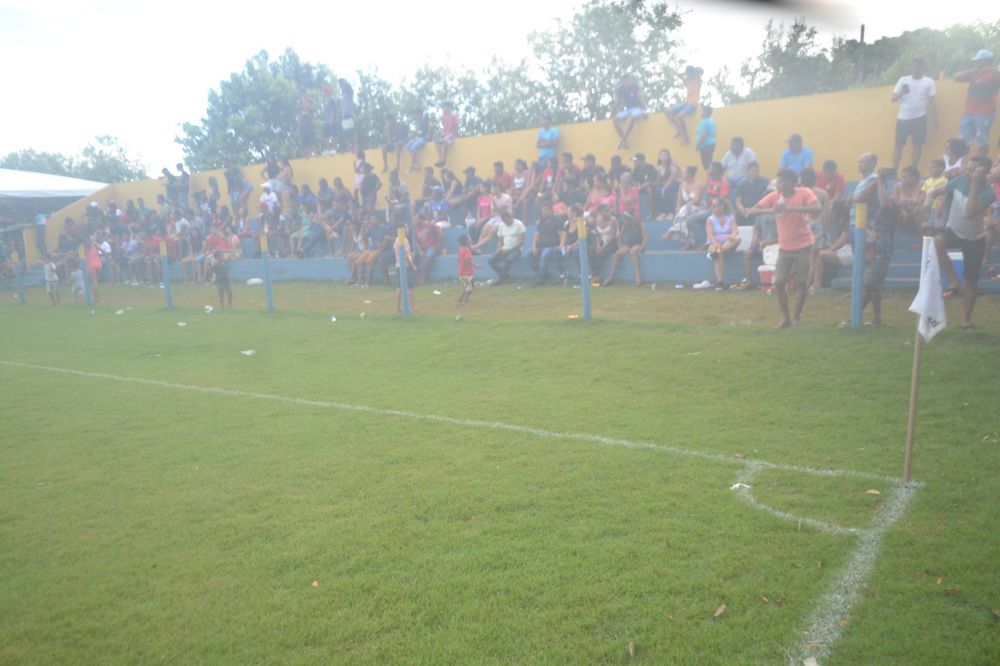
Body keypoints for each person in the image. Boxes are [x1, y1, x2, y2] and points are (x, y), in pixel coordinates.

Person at [747, 169, 821, 328]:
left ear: (790, 182)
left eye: (780, 181)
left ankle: (796, 317)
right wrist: (771, 210)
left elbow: (817, 208)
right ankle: (786, 318)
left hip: (804, 245)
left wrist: (792, 209)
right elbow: (751, 211)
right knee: (779, 282)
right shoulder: (775, 196)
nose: (778, 184)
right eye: (778, 181)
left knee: (802, 283)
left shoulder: (804, 193)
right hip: (785, 247)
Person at [932, 155, 996, 329]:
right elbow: (938, 190)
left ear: (984, 174)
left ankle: (965, 320)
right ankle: (953, 281)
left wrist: (974, 185)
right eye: (968, 169)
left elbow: (969, 213)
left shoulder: (988, 192)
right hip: (953, 229)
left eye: (974, 171)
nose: (969, 174)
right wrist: (927, 200)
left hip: (975, 238)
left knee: (971, 280)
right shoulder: (959, 180)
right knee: (937, 242)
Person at [891, 58, 938, 170]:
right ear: (912, 68)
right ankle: (894, 170)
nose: (916, 69)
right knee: (898, 145)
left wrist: (935, 118)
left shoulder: (929, 81)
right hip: (903, 118)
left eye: (918, 67)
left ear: (923, 68)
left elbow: (932, 101)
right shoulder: (903, 80)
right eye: (914, 67)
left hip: (920, 118)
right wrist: (902, 92)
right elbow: (893, 99)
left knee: (917, 145)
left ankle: (913, 170)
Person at [953, 49, 1000, 157]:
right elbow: (955, 77)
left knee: (981, 141)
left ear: (986, 61)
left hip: (985, 113)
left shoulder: (995, 74)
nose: (976, 63)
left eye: (979, 61)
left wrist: (991, 69)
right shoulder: (973, 73)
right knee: (963, 142)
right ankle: (961, 166)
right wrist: (974, 70)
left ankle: (980, 164)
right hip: (968, 113)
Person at [810, 200, 852, 291]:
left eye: (831, 207)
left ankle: (816, 285)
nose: (829, 209)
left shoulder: (846, 221)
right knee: (822, 252)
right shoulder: (842, 221)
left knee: (821, 255)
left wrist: (830, 249)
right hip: (848, 250)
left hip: (851, 252)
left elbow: (843, 240)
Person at [603, 212, 647, 287]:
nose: (625, 221)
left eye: (626, 219)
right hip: (630, 244)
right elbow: (619, 237)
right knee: (618, 253)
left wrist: (641, 248)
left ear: (631, 219)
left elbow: (645, 238)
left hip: (638, 244)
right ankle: (610, 277)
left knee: (632, 252)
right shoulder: (625, 225)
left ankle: (638, 277)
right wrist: (620, 246)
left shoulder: (640, 224)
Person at [705, 199, 740, 290]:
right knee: (719, 253)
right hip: (715, 242)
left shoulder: (731, 217)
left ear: (721, 207)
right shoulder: (710, 220)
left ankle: (716, 253)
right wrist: (716, 244)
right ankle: (720, 282)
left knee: (737, 239)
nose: (712, 208)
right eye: (712, 206)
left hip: (728, 243)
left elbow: (735, 230)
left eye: (714, 205)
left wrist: (731, 236)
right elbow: (710, 235)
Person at [529, 203, 565, 285]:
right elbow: (536, 235)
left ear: (551, 210)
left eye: (545, 210)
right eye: (542, 211)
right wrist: (533, 246)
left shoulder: (557, 220)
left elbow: (562, 234)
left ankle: (539, 280)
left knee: (544, 255)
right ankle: (543, 274)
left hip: (552, 246)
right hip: (540, 246)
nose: (544, 212)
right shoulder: (541, 221)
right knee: (528, 255)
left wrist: (561, 244)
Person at [666, 65, 703, 145]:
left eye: (689, 74)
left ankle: (685, 139)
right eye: (688, 74)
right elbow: (678, 75)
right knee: (668, 112)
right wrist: (685, 73)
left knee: (678, 116)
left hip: (693, 104)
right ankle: (679, 129)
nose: (688, 76)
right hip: (686, 103)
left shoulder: (697, 81)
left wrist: (693, 71)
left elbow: (700, 70)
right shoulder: (688, 82)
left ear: (693, 73)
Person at [487, 211, 525, 285]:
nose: (506, 223)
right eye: (504, 221)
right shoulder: (502, 225)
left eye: (506, 220)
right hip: (504, 249)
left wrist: (509, 250)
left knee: (508, 260)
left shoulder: (519, 224)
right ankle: (506, 277)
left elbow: (521, 242)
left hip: (516, 250)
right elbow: (500, 240)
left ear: (510, 217)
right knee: (491, 261)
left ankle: (500, 279)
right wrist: (499, 248)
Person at [612, 74, 647, 150]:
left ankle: (622, 141)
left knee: (632, 118)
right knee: (615, 119)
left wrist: (644, 108)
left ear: (630, 80)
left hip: (637, 108)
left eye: (627, 79)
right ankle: (625, 141)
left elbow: (640, 96)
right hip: (628, 109)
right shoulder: (620, 89)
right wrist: (612, 112)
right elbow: (617, 101)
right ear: (622, 81)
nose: (626, 81)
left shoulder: (634, 86)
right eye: (624, 80)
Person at [393, 222, 417, 313]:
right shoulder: (404, 240)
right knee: (411, 287)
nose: (408, 229)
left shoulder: (396, 240)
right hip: (406, 266)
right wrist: (413, 265)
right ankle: (412, 307)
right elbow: (406, 255)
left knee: (399, 286)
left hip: (398, 265)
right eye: (406, 227)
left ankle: (398, 308)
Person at [434, 102, 459, 167]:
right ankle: (441, 158)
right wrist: (443, 134)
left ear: (449, 108)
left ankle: (444, 159)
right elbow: (444, 129)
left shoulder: (454, 116)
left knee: (445, 141)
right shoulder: (443, 117)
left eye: (445, 107)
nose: (443, 109)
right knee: (436, 139)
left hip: (453, 136)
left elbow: (456, 127)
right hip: (446, 136)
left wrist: (450, 135)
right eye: (443, 107)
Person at [694, 105, 717, 170]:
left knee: (707, 165)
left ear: (706, 113)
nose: (701, 113)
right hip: (711, 143)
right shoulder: (712, 121)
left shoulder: (705, 121)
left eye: (702, 112)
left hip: (705, 145)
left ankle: (711, 178)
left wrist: (698, 145)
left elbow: (703, 134)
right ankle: (712, 178)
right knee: (709, 163)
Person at [457, 234, 477, 305]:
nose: (470, 240)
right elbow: (467, 261)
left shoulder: (461, 249)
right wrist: (476, 266)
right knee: (469, 289)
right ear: (466, 241)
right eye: (469, 239)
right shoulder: (467, 250)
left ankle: (460, 299)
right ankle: (465, 302)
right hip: (466, 273)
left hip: (462, 272)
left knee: (469, 286)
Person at [338, 79, 357, 153]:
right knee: (347, 134)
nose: (340, 86)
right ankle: (349, 148)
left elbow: (349, 87)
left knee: (352, 133)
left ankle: (354, 147)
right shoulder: (343, 94)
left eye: (341, 84)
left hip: (349, 114)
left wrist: (345, 83)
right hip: (344, 115)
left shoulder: (348, 91)